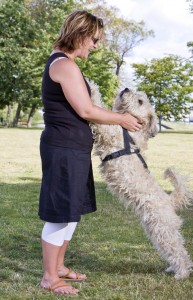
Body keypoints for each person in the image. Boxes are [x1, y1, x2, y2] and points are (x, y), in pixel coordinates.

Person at [38, 10, 142, 295]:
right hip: (63, 148)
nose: (96, 45)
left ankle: (58, 267)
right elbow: (85, 110)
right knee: (60, 213)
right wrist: (121, 119)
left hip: (73, 147)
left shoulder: (67, 63)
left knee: (71, 211)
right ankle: (49, 277)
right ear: (80, 34)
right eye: (94, 39)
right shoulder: (63, 65)